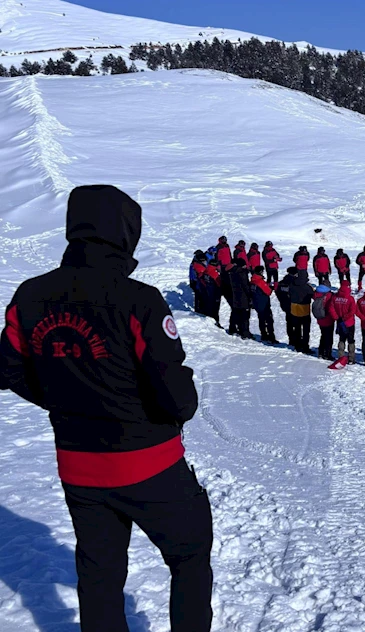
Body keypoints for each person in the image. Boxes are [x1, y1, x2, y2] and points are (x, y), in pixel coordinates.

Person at [0, 185, 212, 632]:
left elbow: (9, 369)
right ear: (124, 233)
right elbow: (177, 398)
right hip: (149, 463)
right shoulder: (138, 300)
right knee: (189, 555)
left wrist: (64, 399)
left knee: (100, 575)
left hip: (78, 466)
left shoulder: (30, 296)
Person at [329, 280, 357, 364]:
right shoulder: (350, 298)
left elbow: (331, 308)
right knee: (351, 340)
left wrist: (337, 317)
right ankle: (351, 358)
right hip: (349, 322)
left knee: (342, 339)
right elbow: (352, 310)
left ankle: (341, 356)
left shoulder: (335, 297)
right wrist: (345, 317)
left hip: (340, 322)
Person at [289, 269, 314, 353]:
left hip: (294, 309)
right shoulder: (307, 287)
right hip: (304, 310)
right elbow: (313, 295)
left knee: (297, 329)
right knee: (306, 330)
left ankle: (297, 345)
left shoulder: (292, 284)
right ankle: (305, 347)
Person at [251, 266, 277, 343]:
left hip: (256, 302)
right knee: (269, 320)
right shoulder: (260, 281)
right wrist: (270, 287)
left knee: (261, 319)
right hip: (264, 303)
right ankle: (271, 337)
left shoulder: (253, 280)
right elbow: (268, 292)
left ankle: (264, 334)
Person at [228, 258, 253, 339]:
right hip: (243, 297)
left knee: (236, 313)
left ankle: (233, 328)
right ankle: (245, 332)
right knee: (245, 316)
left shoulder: (232, 272)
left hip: (236, 296)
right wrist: (250, 295)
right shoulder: (242, 273)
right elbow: (245, 286)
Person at [312, 284, 335, 360]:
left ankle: (320, 352)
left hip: (320, 319)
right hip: (328, 319)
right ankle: (327, 354)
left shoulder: (316, 293)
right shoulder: (329, 295)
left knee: (323, 335)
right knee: (329, 337)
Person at [277, 267, 295, 345]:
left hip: (285, 304)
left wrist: (282, 300)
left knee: (289, 322)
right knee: (296, 323)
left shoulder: (281, 282)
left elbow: (277, 292)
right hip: (293, 305)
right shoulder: (294, 282)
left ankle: (291, 339)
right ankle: (296, 339)